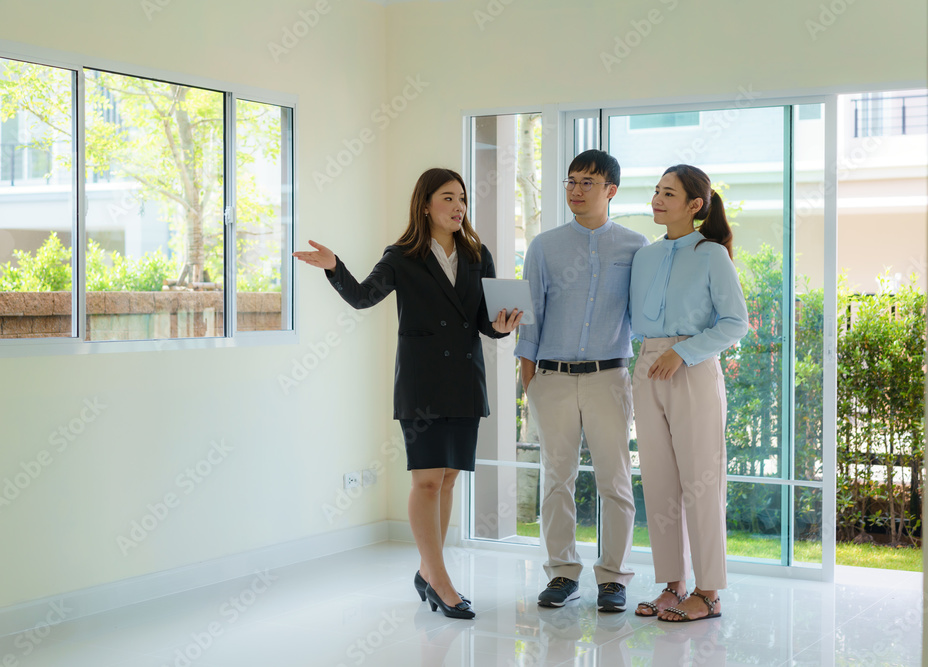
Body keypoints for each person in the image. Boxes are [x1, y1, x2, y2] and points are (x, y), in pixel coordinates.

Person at [293, 167, 522, 620]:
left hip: (464, 380)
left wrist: (500, 327)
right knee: (427, 480)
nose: (458, 207)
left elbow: (482, 322)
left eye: (462, 199)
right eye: (448, 198)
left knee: (450, 477)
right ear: (425, 205)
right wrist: (335, 268)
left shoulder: (478, 254)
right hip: (422, 382)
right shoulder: (401, 256)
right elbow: (362, 297)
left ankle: (426, 568)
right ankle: (439, 579)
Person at [515, 149, 648, 612]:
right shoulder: (544, 246)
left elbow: (644, 314)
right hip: (550, 379)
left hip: (609, 377)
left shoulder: (636, 248)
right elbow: (528, 318)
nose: (575, 189)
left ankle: (613, 578)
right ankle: (561, 574)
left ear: (610, 189)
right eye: (570, 181)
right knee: (557, 479)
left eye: (586, 182)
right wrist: (529, 380)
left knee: (616, 481)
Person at [629, 164, 749, 622]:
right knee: (658, 482)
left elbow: (735, 323)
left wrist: (684, 353)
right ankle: (672, 584)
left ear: (695, 205)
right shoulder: (644, 256)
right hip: (647, 366)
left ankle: (709, 591)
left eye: (668, 194)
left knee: (702, 482)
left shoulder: (711, 253)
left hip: (692, 367)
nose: (657, 200)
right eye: (656, 192)